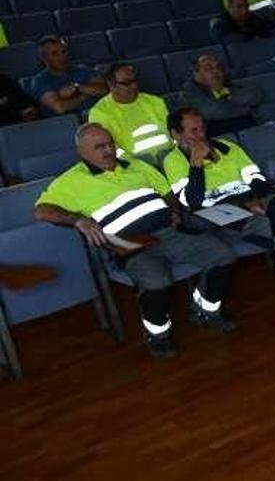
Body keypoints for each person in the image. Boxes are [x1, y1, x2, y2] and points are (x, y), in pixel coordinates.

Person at [34, 123, 237, 359]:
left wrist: (172, 209)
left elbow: (166, 191)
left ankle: (206, 308)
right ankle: (158, 335)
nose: (108, 150)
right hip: (130, 245)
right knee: (156, 279)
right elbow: (41, 211)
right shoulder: (70, 181)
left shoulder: (136, 164)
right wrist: (78, 220)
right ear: (81, 153)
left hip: (168, 232)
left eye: (110, 143)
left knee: (223, 253)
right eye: (99, 147)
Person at [162, 107, 275, 330]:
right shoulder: (173, 161)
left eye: (203, 128)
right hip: (216, 213)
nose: (201, 135)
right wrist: (196, 164)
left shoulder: (228, 147)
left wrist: (258, 198)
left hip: (250, 202)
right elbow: (192, 202)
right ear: (176, 135)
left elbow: (255, 178)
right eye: (193, 130)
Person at [88, 63, 172, 160]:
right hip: (134, 165)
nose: (133, 86)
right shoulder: (99, 112)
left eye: (134, 81)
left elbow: (172, 133)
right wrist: (133, 164)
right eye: (126, 83)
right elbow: (110, 148)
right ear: (111, 85)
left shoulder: (154, 101)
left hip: (169, 156)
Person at [181, 54, 263, 137]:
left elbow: (255, 96)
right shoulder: (190, 91)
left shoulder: (229, 83)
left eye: (218, 67)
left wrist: (228, 96)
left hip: (249, 128)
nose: (215, 71)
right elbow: (210, 112)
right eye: (208, 68)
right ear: (196, 74)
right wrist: (245, 108)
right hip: (218, 134)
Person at [30, 35, 109, 116]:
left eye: (64, 51)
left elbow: (106, 89)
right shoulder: (40, 80)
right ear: (44, 58)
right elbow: (60, 107)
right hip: (66, 124)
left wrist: (77, 87)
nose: (62, 57)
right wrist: (86, 94)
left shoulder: (83, 69)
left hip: (98, 116)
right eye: (55, 53)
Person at [209, 0, 275, 45]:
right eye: (239, 7)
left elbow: (271, 30)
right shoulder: (219, 22)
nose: (245, 10)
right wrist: (252, 33)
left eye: (246, 6)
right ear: (229, 7)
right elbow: (228, 40)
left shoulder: (253, 17)